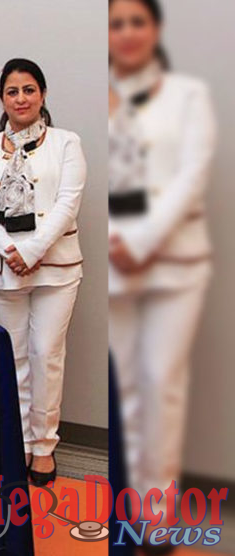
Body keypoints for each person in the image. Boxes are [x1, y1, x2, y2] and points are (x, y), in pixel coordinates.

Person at [107, 0, 217, 524]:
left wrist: (143, 240)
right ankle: (129, 509)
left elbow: (192, 175)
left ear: (156, 29)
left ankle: (157, 514)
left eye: (137, 22)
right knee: (125, 388)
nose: (127, 32)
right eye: (116, 23)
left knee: (160, 383)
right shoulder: (107, 96)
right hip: (115, 264)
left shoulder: (188, 96)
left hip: (173, 263)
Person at [0, 58, 86, 485]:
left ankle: (44, 447)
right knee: (13, 359)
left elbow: (67, 203)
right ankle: (17, 443)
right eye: (13, 91)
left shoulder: (66, 143)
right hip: (3, 268)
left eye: (29, 89)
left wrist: (31, 250)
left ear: (43, 94)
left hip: (55, 267)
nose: (21, 98)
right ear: (2, 98)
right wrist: (10, 250)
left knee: (46, 356)